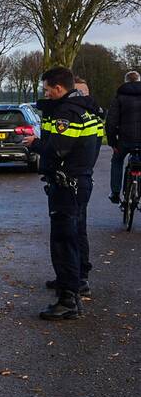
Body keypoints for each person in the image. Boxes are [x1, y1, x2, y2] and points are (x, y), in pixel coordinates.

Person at [21, 67, 103, 321]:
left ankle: (68, 300)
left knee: (63, 241)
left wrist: (35, 143)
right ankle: (75, 283)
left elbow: (58, 149)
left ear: (59, 88)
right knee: (75, 235)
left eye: (47, 89)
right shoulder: (88, 109)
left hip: (67, 184)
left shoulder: (67, 114)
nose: (46, 93)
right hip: (80, 180)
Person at [106, 70, 141, 204]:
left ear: (125, 81)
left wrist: (112, 142)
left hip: (125, 140)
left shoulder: (119, 96)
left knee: (117, 161)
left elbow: (111, 121)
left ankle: (115, 193)